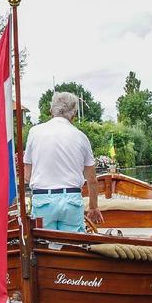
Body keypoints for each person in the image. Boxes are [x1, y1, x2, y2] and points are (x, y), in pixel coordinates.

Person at [23, 92, 103, 232]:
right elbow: (92, 180)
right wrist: (93, 207)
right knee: (73, 247)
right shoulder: (81, 137)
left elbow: (27, 175)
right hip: (71, 201)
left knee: (44, 245)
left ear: (51, 111)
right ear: (74, 114)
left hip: (43, 201)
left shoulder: (34, 132)